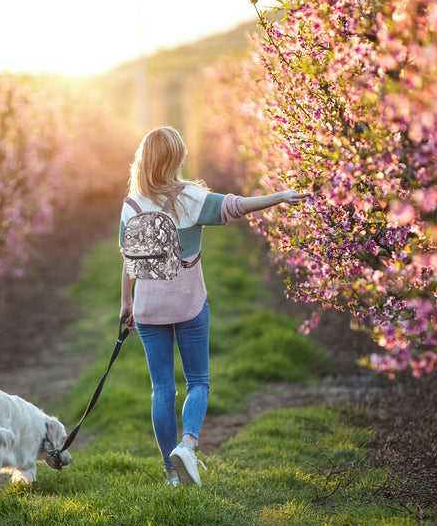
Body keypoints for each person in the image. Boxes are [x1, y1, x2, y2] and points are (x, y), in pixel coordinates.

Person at [119, 126, 307, 487]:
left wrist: (126, 303)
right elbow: (235, 206)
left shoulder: (131, 205)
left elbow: (128, 260)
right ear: (175, 159)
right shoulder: (188, 197)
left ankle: (170, 473)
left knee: (161, 389)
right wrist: (279, 196)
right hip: (188, 302)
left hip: (147, 307)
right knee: (198, 381)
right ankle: (187, 445)